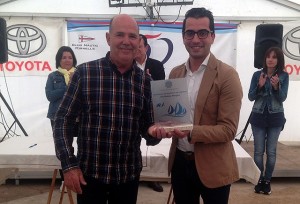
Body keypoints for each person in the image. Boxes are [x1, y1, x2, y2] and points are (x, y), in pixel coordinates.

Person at [53, 14, 173, 204]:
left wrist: (155, 131)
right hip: (90, 176)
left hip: (127, 177)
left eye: (132, 36)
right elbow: (63, 121)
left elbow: (148, 128)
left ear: (139, 41)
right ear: (108, 38)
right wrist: (68, 165)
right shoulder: (84, 74)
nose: (126, 41)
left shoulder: (145, 83)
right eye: (120, 35)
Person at [166, 7, 243, 204]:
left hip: (214, 167)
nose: (195, 39)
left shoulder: (227, 76)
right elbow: (171, 117)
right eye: (190, 33)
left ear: (212, 36)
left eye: (202, 33)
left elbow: (228, 130)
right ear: (183, 37)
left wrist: (191, 132)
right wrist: (163, 126)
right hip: (180, 164)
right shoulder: (175, 74)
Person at [248, 47, 289, 195]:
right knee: (258, 152)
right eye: (268, 56)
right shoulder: (257, 74)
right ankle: (259, 179)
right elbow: (250, 97)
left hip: (276, 117)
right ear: (265, 58)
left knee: (271, 152)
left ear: (279, 60)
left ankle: (267, 181)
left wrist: (277, 86)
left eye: (274, 57)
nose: (270, 59)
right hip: (258, 116)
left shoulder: (283, 76)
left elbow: (282, 98)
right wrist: (259, 85)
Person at [135, 33, 165, 192]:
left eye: (140, 47)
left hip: (151, 112)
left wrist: (149, 81)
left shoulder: (156, 65)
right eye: (136, 47)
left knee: (151, 146)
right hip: (133, 111)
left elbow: (162, 90)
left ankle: (151, 177)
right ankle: (136, 176)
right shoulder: (128, 65)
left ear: (146, 47)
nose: (137, 50)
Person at [45, 45, 77, 192]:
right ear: (59, 59)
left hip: (77, 117)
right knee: (62, 148)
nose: (67, 60)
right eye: (64, 57)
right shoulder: (53, 76)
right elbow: (50, 96)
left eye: (70, 57)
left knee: (82, 145)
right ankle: (65, 180)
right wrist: (68, 86)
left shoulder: (80, 74)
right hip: (57, 116)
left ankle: (78, 176)